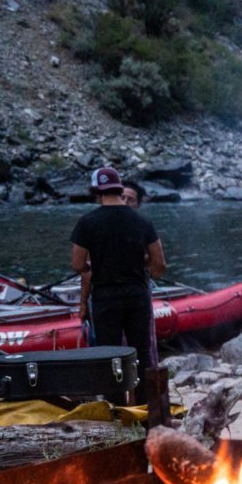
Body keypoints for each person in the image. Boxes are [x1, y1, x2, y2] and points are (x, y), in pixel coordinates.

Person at [71, 166, 166, 403]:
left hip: (105, 297)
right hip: (137, 295)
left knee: (111, 356)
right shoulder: (142, 220)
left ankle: (117, 409)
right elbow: (159, 264)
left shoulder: (87, 222)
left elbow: (77, 264)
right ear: (118, 188)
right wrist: (139, 264)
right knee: (141, 353)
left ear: (96, 191)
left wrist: (94, 267)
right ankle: (146, 410)